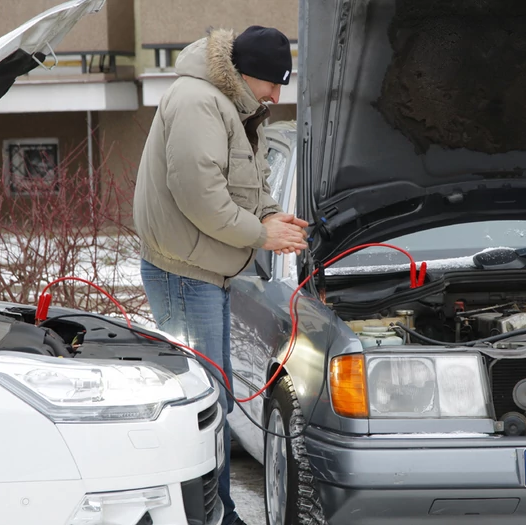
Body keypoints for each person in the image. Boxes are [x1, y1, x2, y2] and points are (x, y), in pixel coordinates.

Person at [132, 25, 308, 525]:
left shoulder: (231, 105)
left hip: (205, 272)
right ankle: (210, 516)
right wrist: (261, 235)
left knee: (213, 397)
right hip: (185, 275)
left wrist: (274, 214)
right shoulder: (198, 103)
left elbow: (250, 182)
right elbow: (200, 196)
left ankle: (214, 512)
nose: (276, 94)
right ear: (245, 73)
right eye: (272, 84)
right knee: (202, 406)